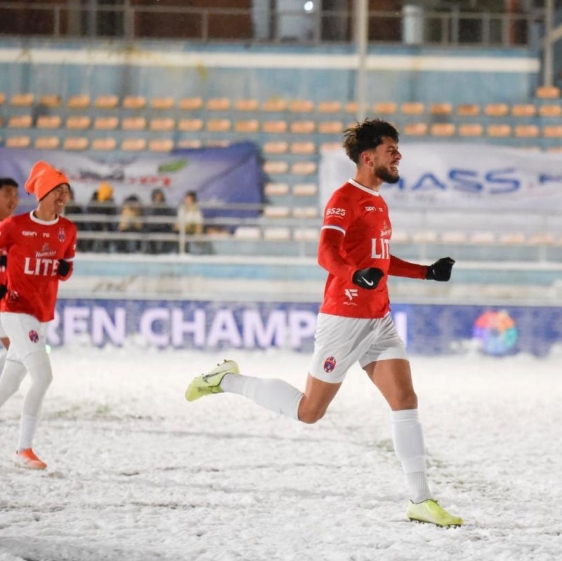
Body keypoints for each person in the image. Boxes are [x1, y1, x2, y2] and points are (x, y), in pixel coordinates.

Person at [185, 118, 463, 528]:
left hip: (378, 319)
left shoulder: (378, 202)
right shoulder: (343, 198)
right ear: (368, 157)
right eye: (391, 150)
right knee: (310, 411)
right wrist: (353, 275)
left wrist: (426, 272)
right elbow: (326, 252)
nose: (398, 156)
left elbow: (379, 260)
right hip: (344, 319)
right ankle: (226, 379)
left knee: (405, 400)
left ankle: (420, 501)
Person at [0, 161, 76, 470]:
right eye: (58, 191)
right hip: (15, 311)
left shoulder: (67, 230)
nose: (63, 197)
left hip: (42, 314)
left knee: (9, 384)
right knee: (43, 377)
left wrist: (65, 270)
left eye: (66, 192)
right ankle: (24, 450)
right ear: (43, 193)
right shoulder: (13, 226)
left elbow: (66, 268)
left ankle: (23, 450)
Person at [0, 177, 19, 373]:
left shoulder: (19, 230)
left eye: (15, 195)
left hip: (7, 303)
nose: (12, 200)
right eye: (7, 194)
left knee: (19, 353)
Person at [86, 181, 117, 253]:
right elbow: (90, 212)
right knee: (92, 230)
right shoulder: (93, 200)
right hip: (94, 224)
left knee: (109, 230)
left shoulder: (110, 201)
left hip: (106, 224)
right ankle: (90, 248)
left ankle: (107, 248)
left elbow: (113, 213)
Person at [144, 188, 176, 254]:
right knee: (147, 231)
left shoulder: (167, 207)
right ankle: (152, 251)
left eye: (160, 196)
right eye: (156, 196)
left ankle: (164, 251)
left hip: (164, 227)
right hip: (152, 228)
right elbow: (147, 219)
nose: (158, 198)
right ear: (153, 197)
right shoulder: (149, 208)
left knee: (170, 231)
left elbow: (171, 217)